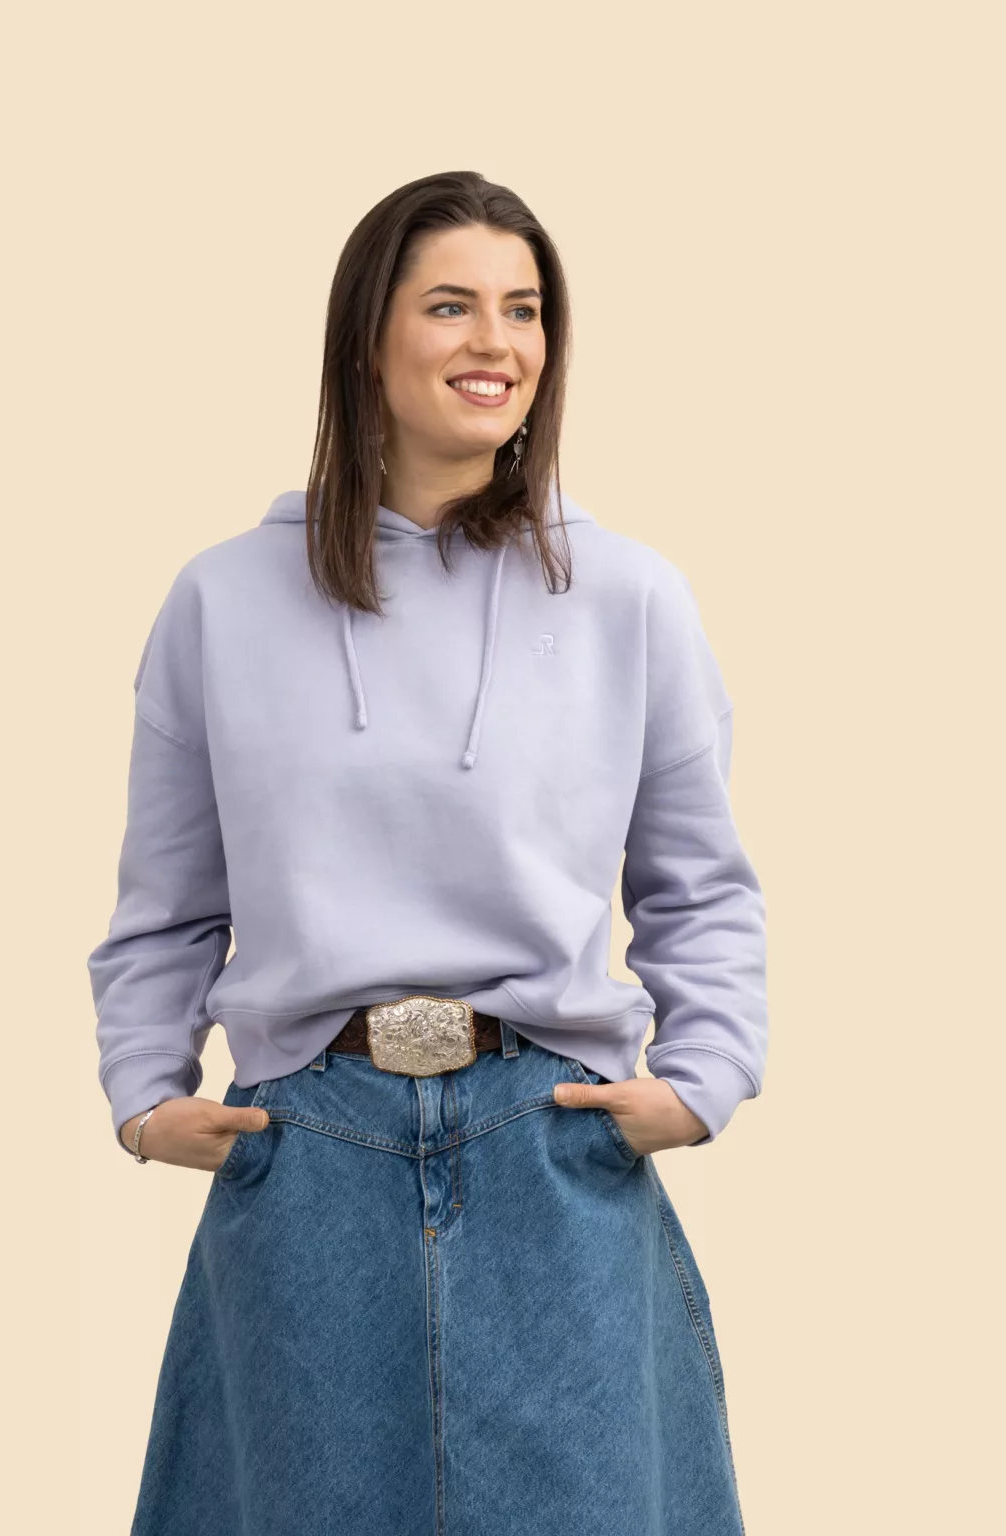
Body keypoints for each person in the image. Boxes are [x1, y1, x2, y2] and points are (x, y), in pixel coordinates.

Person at [87, 169, 768, 1536]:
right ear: (365, 338)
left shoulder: (630, 597)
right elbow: (166, 903)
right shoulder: (222, 600)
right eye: (450, 305)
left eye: (524, 310)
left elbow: (701, 886)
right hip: (310, 1150)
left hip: (553, 1143)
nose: (496, 343)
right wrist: (141, 1090)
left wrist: (705, 1075)